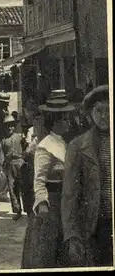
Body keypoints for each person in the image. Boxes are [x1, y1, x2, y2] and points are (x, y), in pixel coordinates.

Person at [21, 93, 76, 269]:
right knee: (47, 251)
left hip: (65, 200)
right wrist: (42, 205)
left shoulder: (64, 142)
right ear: (56, 122)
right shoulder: (45, 146)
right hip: (51, 203)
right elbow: (39, 179)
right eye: (65, 119)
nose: (69, 122)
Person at [62, 85, 113, 267]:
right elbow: (69, 194)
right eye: (99, 110)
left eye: (108, 110)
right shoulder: (77, 146)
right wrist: (72, 234)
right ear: (91, 113)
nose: (104, 116)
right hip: (93, 226)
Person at [0, 113, 25, 220]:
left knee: (25, 187)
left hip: (21, 164)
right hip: (10, 167)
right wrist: (0, 168)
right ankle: (17, 210)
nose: (10, 128)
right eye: (8, 126)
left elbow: (27, 149)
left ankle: (30, 210)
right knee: (12, 188)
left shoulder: (20, 137)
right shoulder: (3, 141)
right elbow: (1, 156)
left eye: (12, 125)